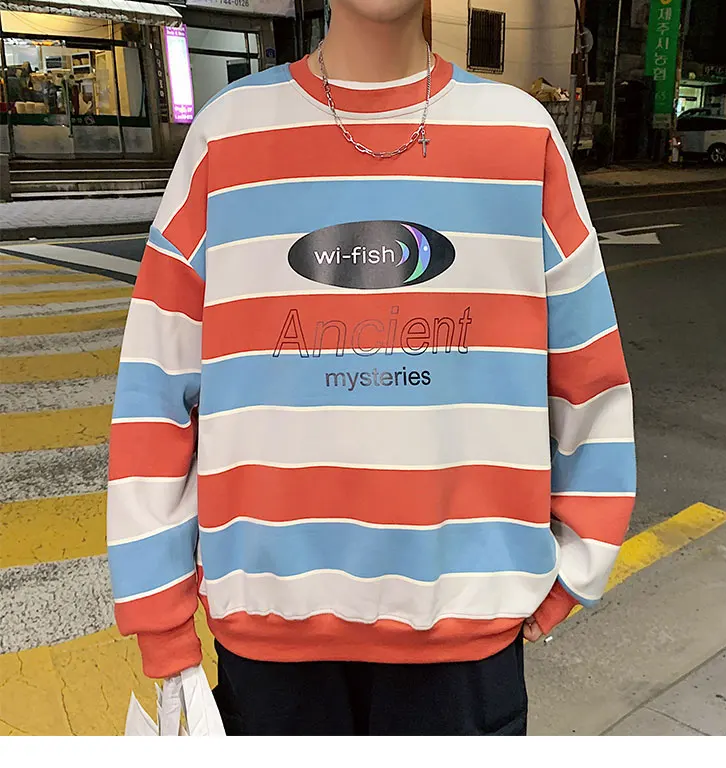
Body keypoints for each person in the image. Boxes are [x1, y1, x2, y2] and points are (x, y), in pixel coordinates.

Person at [107, 0, 636, 736]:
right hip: (269, 646)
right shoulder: (226, 138)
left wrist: (578, 564)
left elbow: (590, 375)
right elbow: (156, 386)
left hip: (465, 644)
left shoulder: (521, 137)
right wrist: (160, 621)